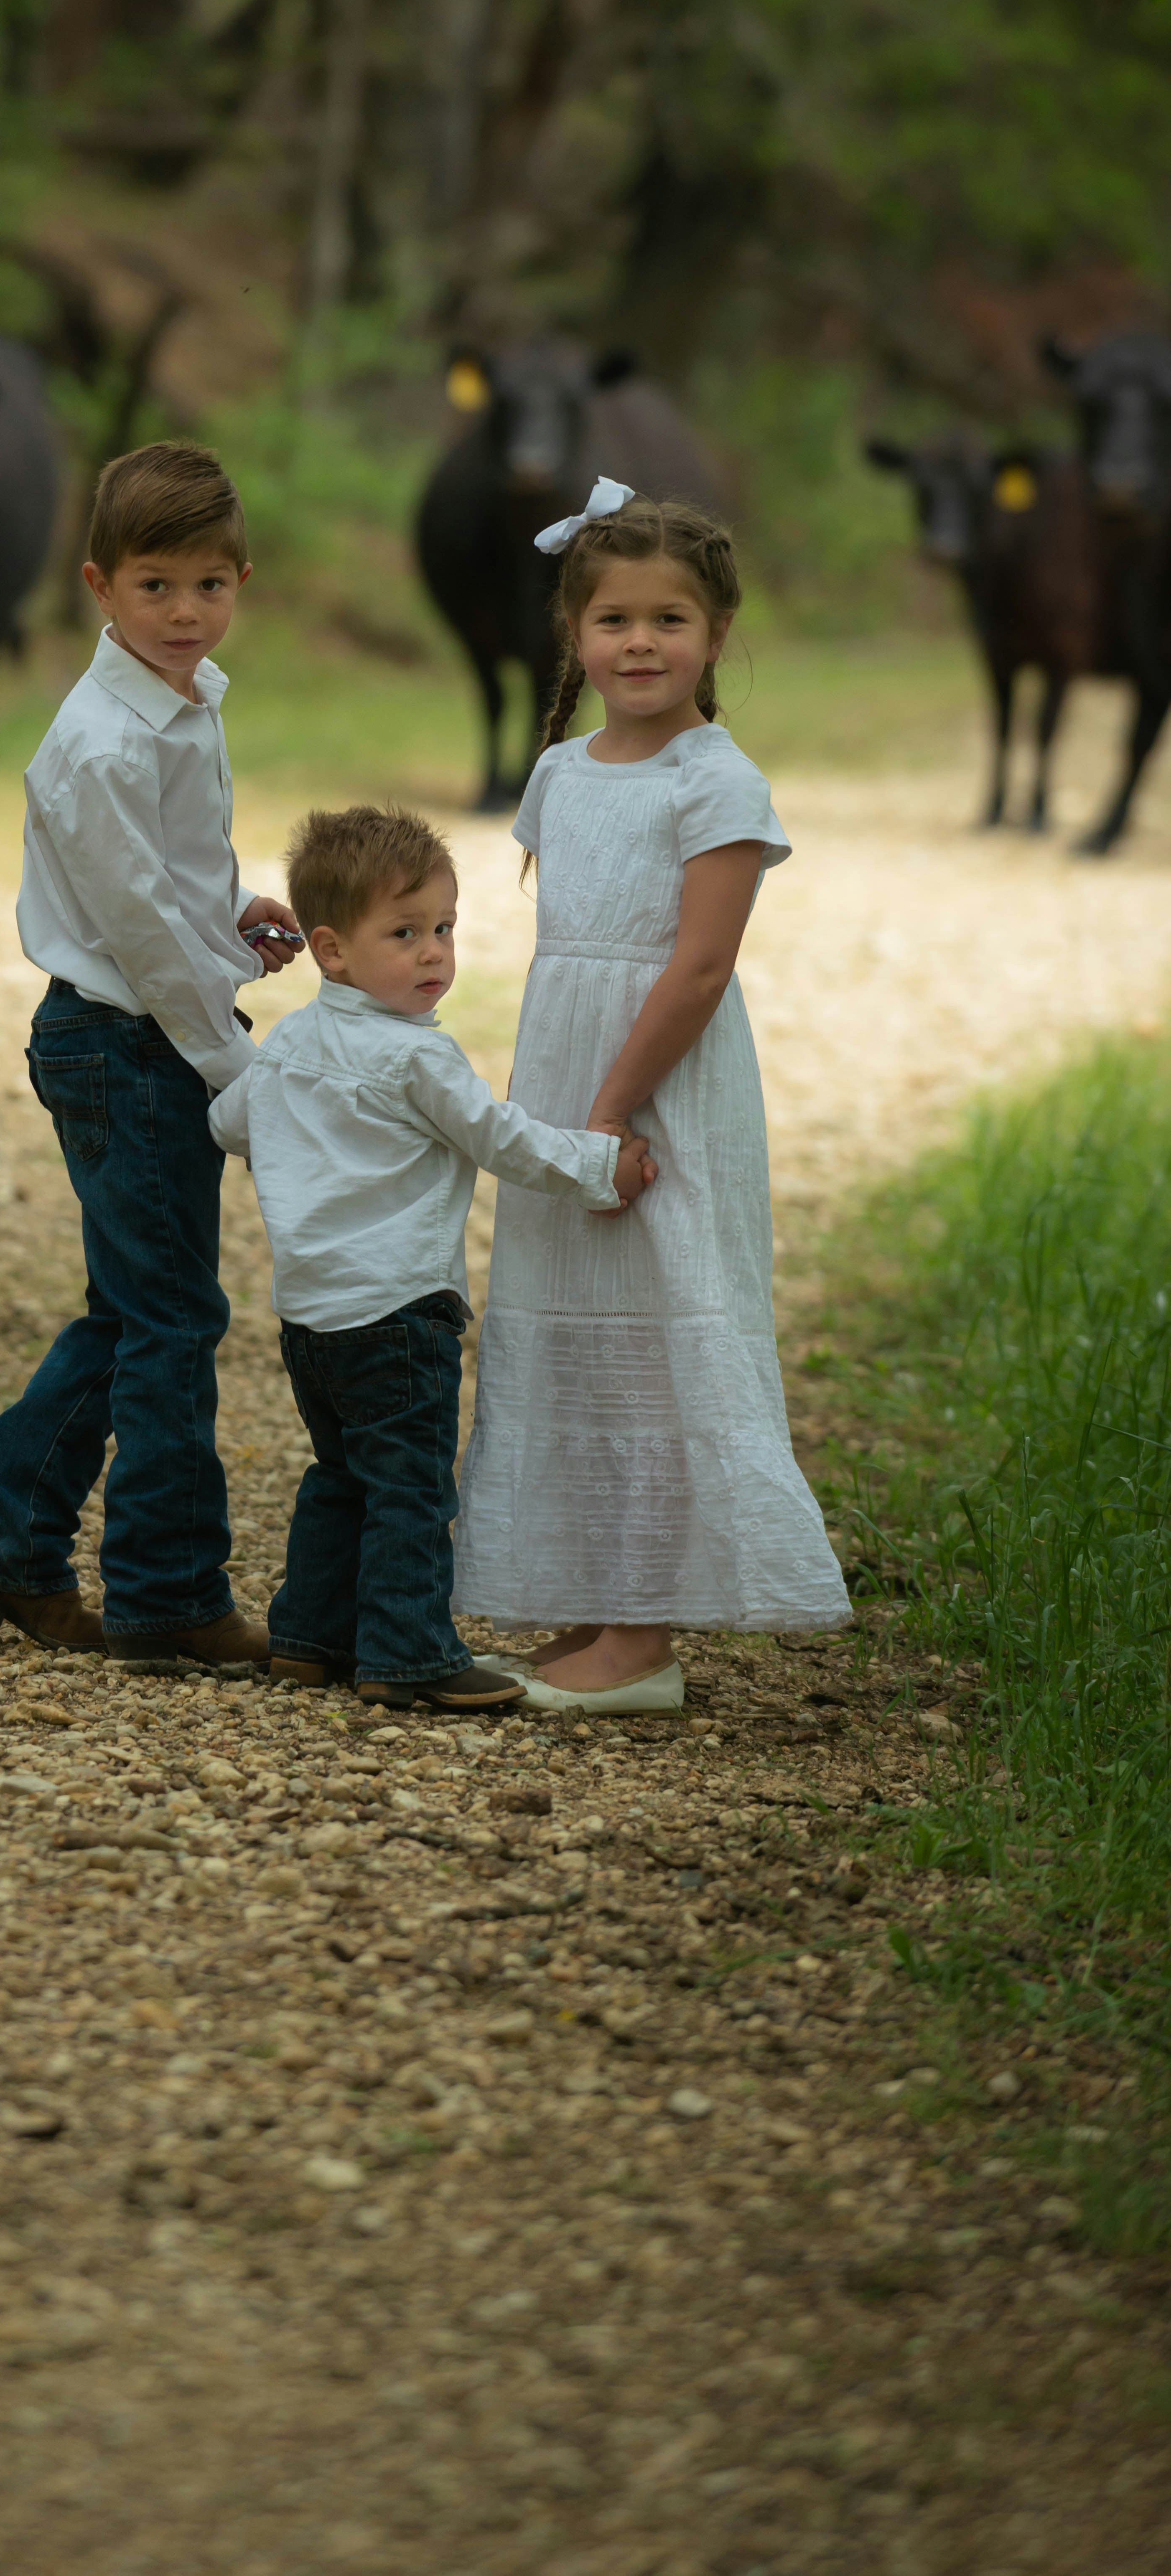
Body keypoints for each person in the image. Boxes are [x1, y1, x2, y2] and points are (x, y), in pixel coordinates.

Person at [453, 477, 853, 1713]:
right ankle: (596, 1604)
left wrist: (614, 1110)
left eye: (669, 620)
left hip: (656, 1086)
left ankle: (645, 1635)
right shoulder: (563, 772)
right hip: (572, 1075)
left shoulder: (716, 780)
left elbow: (698, 967)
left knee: (661, 1330)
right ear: (575, 635)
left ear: (717, 635)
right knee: (575, 1329)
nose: (641, 643)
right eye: (615, 620)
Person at [0, 441, 303, 1672]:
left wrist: (237, 914)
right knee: (173, 1321)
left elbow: (168, 885)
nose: (185, 612)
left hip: (150, 1024)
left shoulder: (185, 702)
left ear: (241, 579)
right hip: (125, 1043)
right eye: (156, 586)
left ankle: (2, 1554)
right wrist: (229, 1062)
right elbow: (138, 932)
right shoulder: (102, 740)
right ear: (100, 584)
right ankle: (166, 1594)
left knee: (136, 1310)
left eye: (209, 585)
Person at [209, 804, 650, 1710]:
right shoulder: (419, 1060)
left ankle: (308, 1635)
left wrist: (304, 1135)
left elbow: (227, 1123)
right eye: (402, 933)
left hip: (310, 1314)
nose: (433, 954)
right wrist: (603, 1167)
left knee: (339, 1475)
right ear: (330, 951)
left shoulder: (288, 1041)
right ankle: (407, 1652)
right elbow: (504, 1140)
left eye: (444, 929)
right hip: (399, 1310)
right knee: (409, 1487)